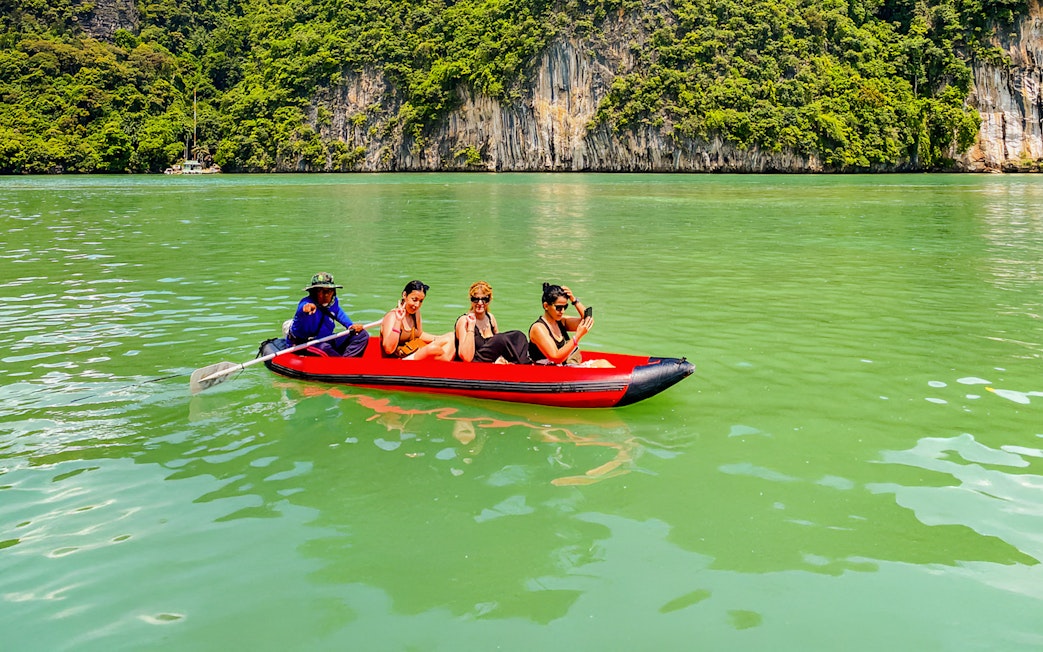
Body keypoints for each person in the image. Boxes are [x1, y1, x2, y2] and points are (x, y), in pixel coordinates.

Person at [528, 283, 612, 367]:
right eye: (559, 308)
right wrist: (577, 337)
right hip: (548, 372)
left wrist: (574, 300)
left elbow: (587, 320)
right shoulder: (538, 328)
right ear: (546, 306)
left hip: (564, 368)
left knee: (604, 363)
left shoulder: (561, 321)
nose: (562, 311)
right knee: (603, 365)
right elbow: (556, 358)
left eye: (565, 307)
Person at [287, 272, 369, 357]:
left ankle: (346, 361)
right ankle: (341, 364)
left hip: (326, 338)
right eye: (320, 290)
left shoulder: (333, 302)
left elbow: (338, 313)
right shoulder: (306, 303)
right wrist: (306, 309)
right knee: (325, 348)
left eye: (329, 290)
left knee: (362, 335)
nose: (326, 294)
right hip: (306, 344)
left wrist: (350, 325)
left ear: (333, 292)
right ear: (314, 292)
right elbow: (303, 309)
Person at [454, 281, 531, 364]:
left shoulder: (490, 318)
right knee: (500, 338)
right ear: (471, 300)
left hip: (490, 362)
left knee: (519, 336)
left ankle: (525, 364)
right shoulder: (464, 321)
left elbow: (501, 347)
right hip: (475, 362)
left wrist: (499, 359)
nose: (480, 303)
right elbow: (466, 357)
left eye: (484, 299)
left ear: (489, 300)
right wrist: (471, 327)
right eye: (475, 299)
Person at [381, 280, 456, 361]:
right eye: (414, 299)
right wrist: (398, 321)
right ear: (404, 295)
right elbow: (388, 349)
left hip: (413, 353)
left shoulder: (415, 313)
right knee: (433, 349)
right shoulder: (392, 317)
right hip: (399, 361)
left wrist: (439, 338)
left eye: (421, 301)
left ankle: (445, 367)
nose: (417, 305)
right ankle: (450, 368)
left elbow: (419, 334)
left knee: (451, 337)